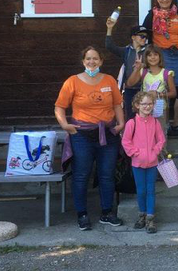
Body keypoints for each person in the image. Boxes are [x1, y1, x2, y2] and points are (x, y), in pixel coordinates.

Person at [54, 46, 125, 231]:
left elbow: (117, 104)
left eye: (95, 59)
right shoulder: (72, 82)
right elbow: (59, 107)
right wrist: (64, 125)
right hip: (81, 135)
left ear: (101, 61)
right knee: (81, 175)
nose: (92, 62)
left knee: (107, 175)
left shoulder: (110, 80)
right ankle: (82, 215)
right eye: (88, 59)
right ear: (83, 61)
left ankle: (107, 213)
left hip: (108, 135)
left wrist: (121, 122)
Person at [142, 0, 178, 132]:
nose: (164, 0)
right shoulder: (151, 15)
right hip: (160, 56)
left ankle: (176, 122)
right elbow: (143, 34)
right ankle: (159, 123)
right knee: (160, 88)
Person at [121, 91, 166, 234]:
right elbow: (126, 141)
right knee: (141, 191)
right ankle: (142, 215)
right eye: (144, 104)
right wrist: (136, 153)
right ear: (137, 105)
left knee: (150, 190)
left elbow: (161, 139)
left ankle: (150, 219)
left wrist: (155, 152)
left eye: (150, 103)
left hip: (152, 163)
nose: (147, 106)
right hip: (137, 164)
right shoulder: (131, 123)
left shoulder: (155, 122)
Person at [105, 18, 149, 121]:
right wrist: (109, 28)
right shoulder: (126, 50)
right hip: (129, 89)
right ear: (133, 37)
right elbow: (110, 46)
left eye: (146, 37)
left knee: (145, 116)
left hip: (145, 88)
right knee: (130, 115)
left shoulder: (149, 50)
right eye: (142, 36)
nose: (144, 39)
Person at [126, 45, 177, 134]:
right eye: (149, 55)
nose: (153, 57)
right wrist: (137, 69)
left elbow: (173, 93)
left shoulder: (166, 73)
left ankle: (161, 148)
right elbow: (130, 83)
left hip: (159, 106)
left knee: (160, 132)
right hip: (144, 106)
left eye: (155, 55)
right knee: (145, 131)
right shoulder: (143, 71)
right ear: (146, 58)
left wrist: (159, 94)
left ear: (160, 57)